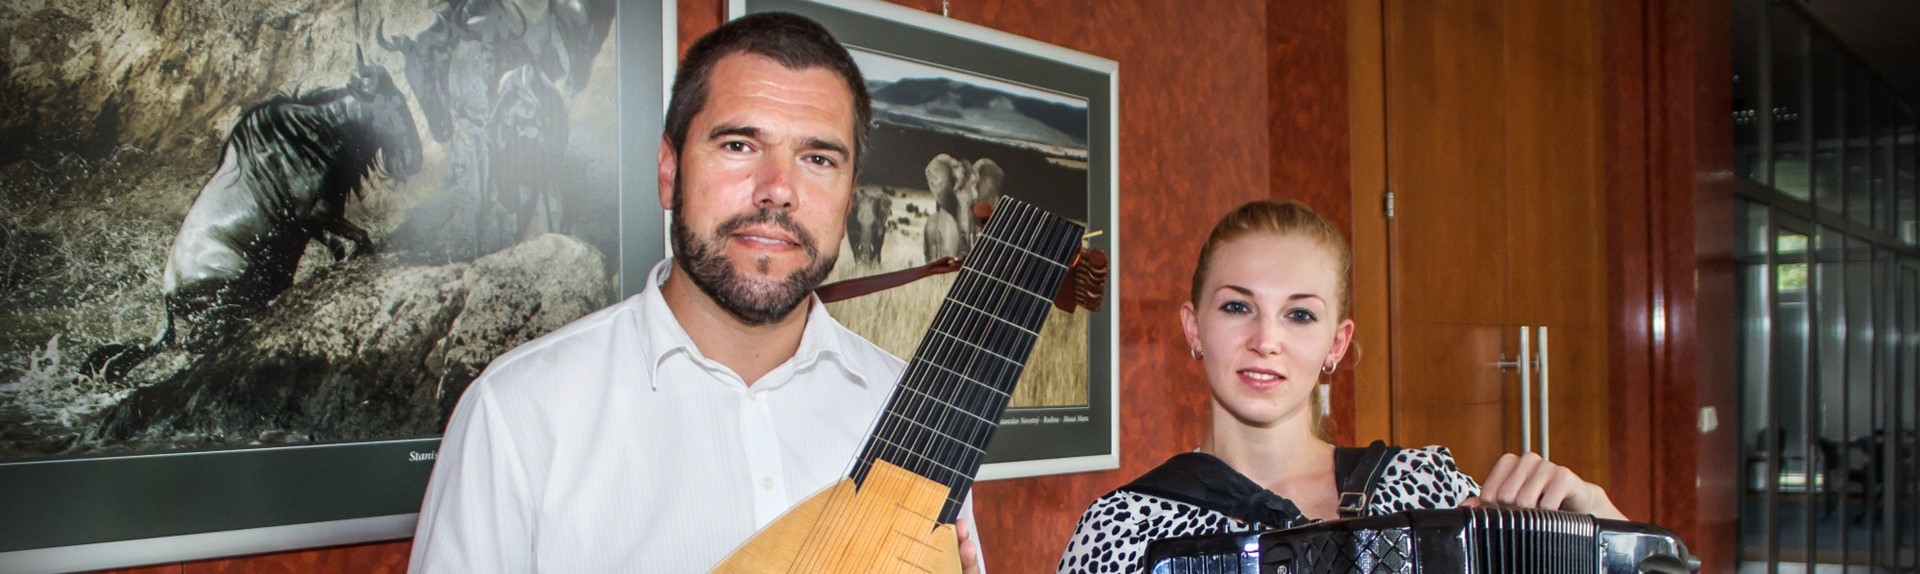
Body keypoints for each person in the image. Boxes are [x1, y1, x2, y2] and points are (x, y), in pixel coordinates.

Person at [409, 13, 983, 573]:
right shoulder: (515, 413)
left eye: (817, 159)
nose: (778, 189)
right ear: (669, 170)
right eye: (738, 145)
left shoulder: (915, 413)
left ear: (849, 197)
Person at [1055, 200, 1621, 573]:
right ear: (1193, 328)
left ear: (1336, 344)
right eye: (1237, 307)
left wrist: (1604, 524)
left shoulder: (1426, 490)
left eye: (1299, 315)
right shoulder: (1123, 529)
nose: (1265, 340)